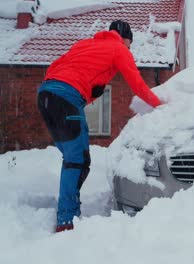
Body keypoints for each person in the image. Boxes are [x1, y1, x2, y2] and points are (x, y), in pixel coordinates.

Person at [37, 20, 162, 233]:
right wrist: (160, 105)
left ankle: (68, 211)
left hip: (45, 96)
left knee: (72, 158)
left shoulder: (84, 44)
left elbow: (56, 67)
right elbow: (137, 84)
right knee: (77, 161)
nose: (129, 49)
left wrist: (86, 89)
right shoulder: (118, 49)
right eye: (129, 44)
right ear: (124, 38)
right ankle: (67, 221)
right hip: (67, 98)